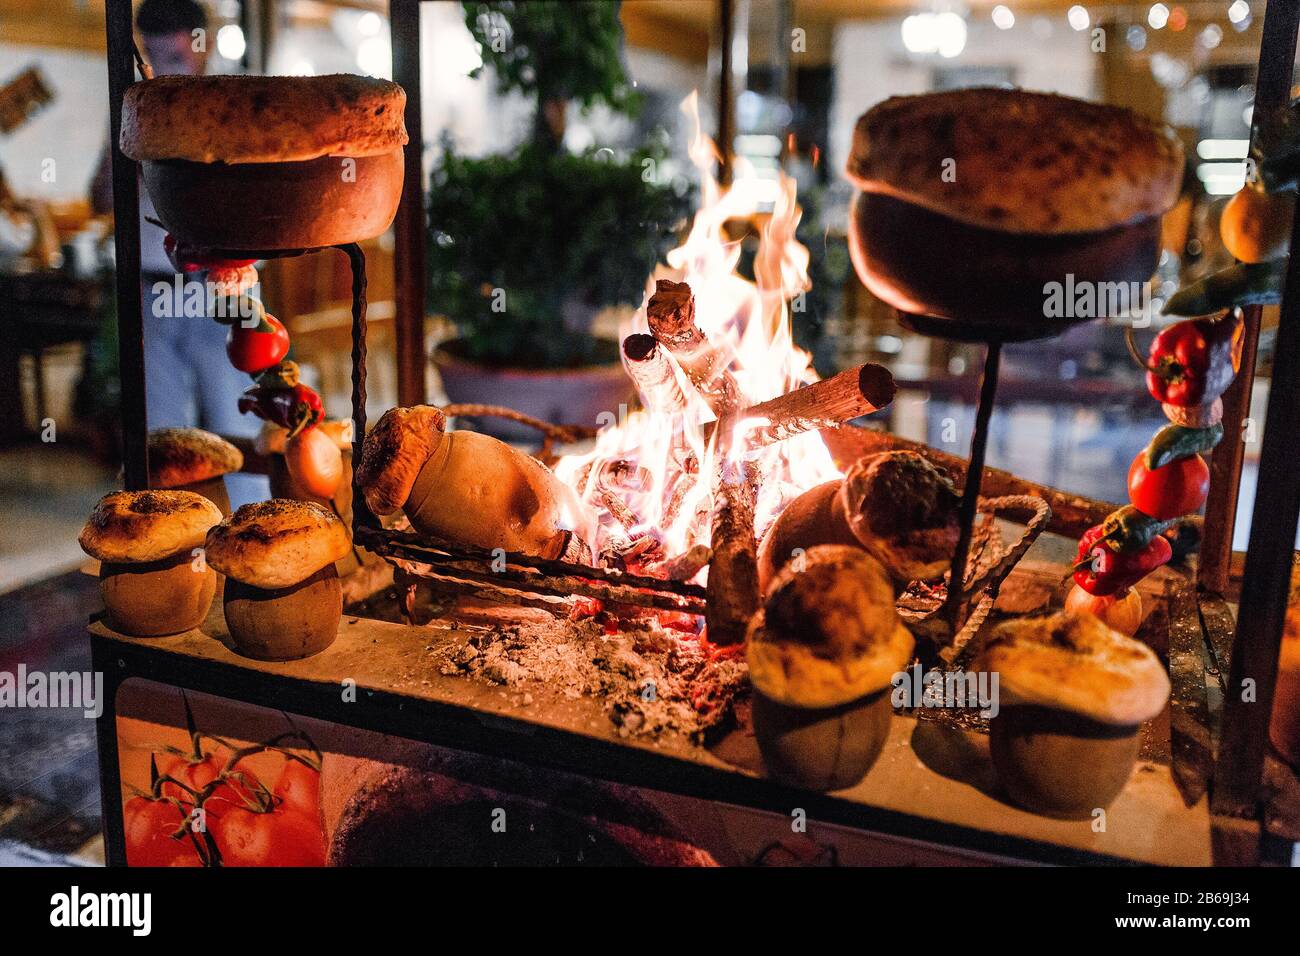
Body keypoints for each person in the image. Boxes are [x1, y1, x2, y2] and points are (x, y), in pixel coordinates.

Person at [90, 0, 267, 507]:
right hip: (152, 285)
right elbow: (101, 198)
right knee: (161, 433)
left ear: (202, 44)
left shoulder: (233, 102)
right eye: (155, 55)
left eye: (176, 55)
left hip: (224, 285)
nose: (166, 68)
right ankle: (173, 547)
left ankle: (257, 533)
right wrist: (122, 145)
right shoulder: (134, 107)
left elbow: (256, 197)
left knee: (237, 419)